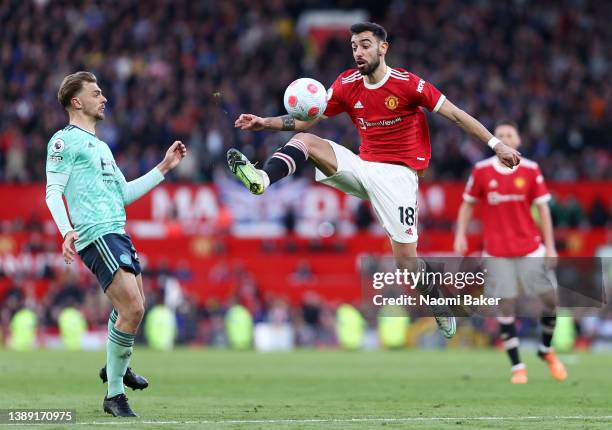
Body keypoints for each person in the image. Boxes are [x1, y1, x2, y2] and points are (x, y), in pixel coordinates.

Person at [227, 22, 520, 338]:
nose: (358, 52)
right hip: (363, 167)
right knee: (305, 139)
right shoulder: (346, 84)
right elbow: (307, 118)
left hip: (398, 178)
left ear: (383, 48)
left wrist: (496, 144)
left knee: (407, 263)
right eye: (354, 46)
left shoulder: (408, 84)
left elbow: (456, 114)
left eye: (365, 44)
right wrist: (264, 123)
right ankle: (261, 179)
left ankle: (436, 298)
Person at [45, 71, 186, 416]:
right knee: (133, 309)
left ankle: (114, 368)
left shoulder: (102, 146)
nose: (103, 98)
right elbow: (53, 192)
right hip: (96, 233)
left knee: (135, 307)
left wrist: (164, 167)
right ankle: (114, 393)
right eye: (96, 93)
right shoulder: (64, 141)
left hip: (117, 232)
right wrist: (66, 231)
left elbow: (123, 194)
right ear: (76, 102)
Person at [454, 120, 567, 384]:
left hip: (530, 248)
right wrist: (460, 233)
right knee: (506, 306)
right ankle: (517, 366)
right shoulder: (481, 171)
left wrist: (550, 246)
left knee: (551, 300)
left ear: (517, 142)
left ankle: (546, 350)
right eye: (500, 134)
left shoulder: (530, 170)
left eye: (509, 134)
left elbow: (543, 210)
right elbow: (467, 204)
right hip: (496, 251)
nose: (504, 137)